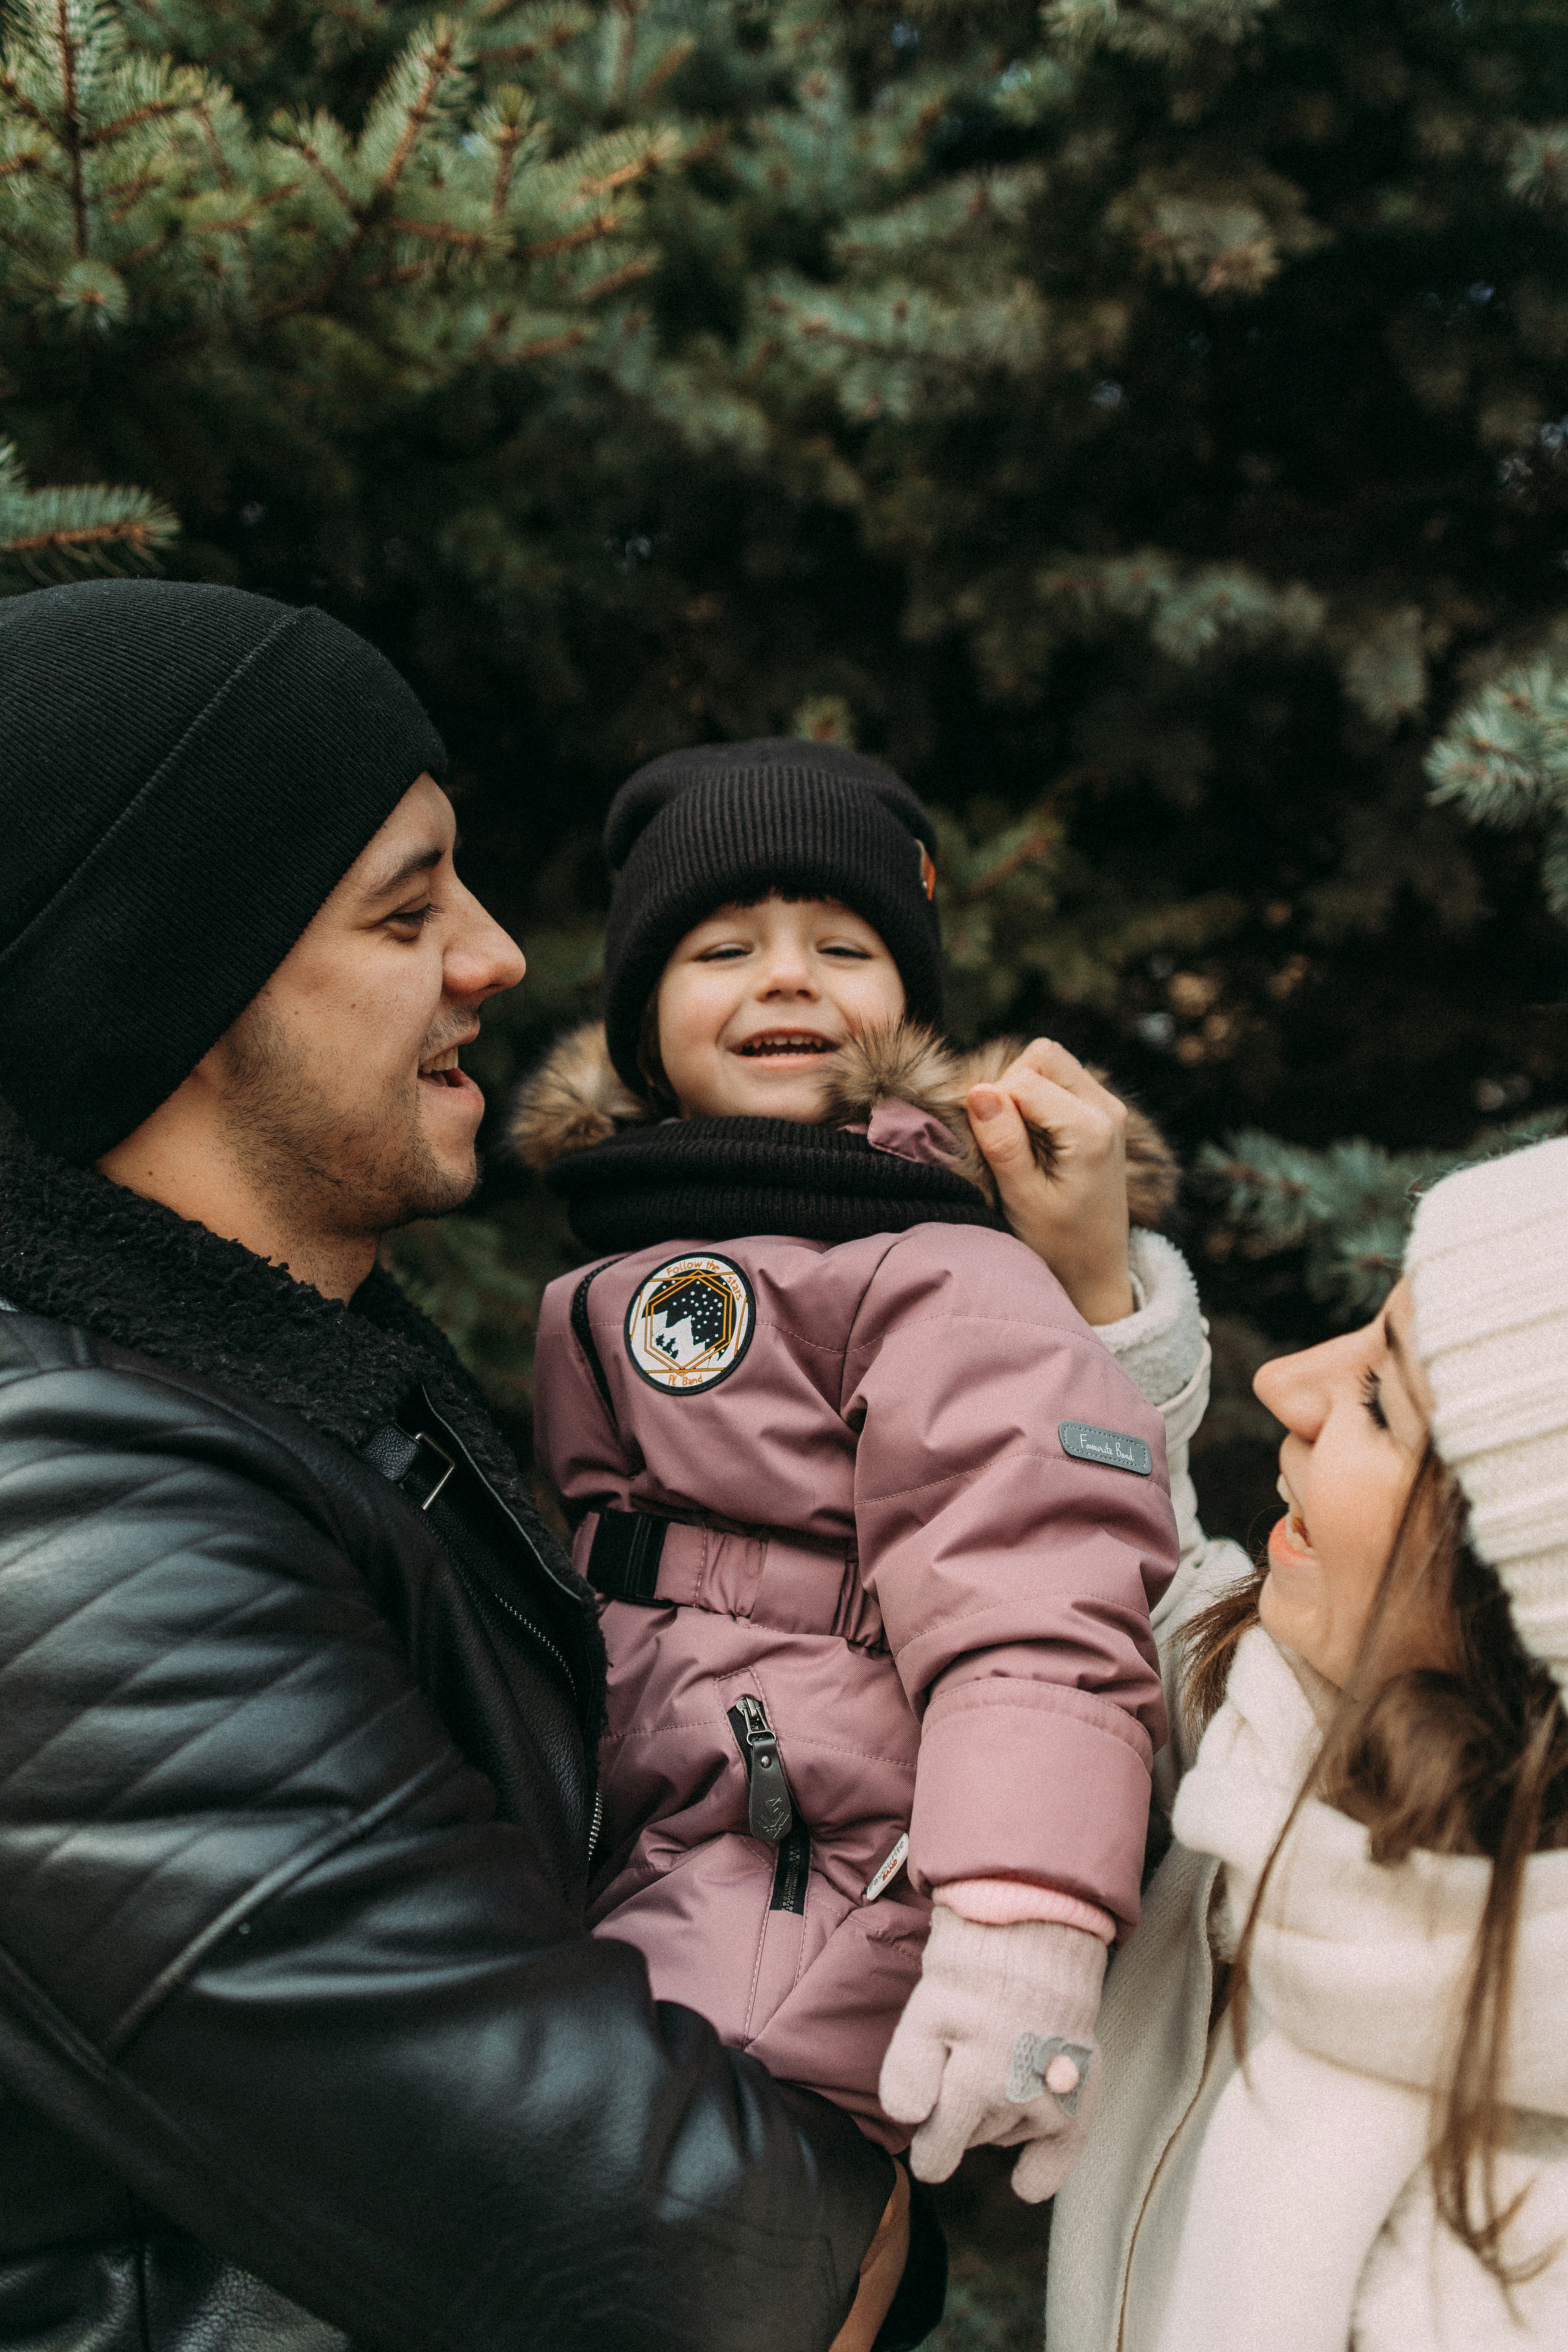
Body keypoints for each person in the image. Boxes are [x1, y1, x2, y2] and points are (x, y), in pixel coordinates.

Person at [0, 581, 916, 2352]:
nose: (496, 956)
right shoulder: (70, 1515)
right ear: (181, 979)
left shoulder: (297, 1388)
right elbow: (682, 2265)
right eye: (408, 907)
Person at [513, 737, 1188, 2226]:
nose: (786, 978)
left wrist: (1023, 1910)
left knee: (703, 2223)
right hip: (646, 1831)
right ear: (638, 1021)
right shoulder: (622, 1247)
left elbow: (1038, 1576)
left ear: (908, 1004)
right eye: (721, 947)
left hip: (810, 1862)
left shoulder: (932, 1259)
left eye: (842, 944)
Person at [1047, 1134, 1568, 2349]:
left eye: (1380, 1402)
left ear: (1518, 1604)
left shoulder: (1512, 2265)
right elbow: (1128, 1591)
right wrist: (1095, 1301)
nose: (1284, 1382)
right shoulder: (1275, 1727)